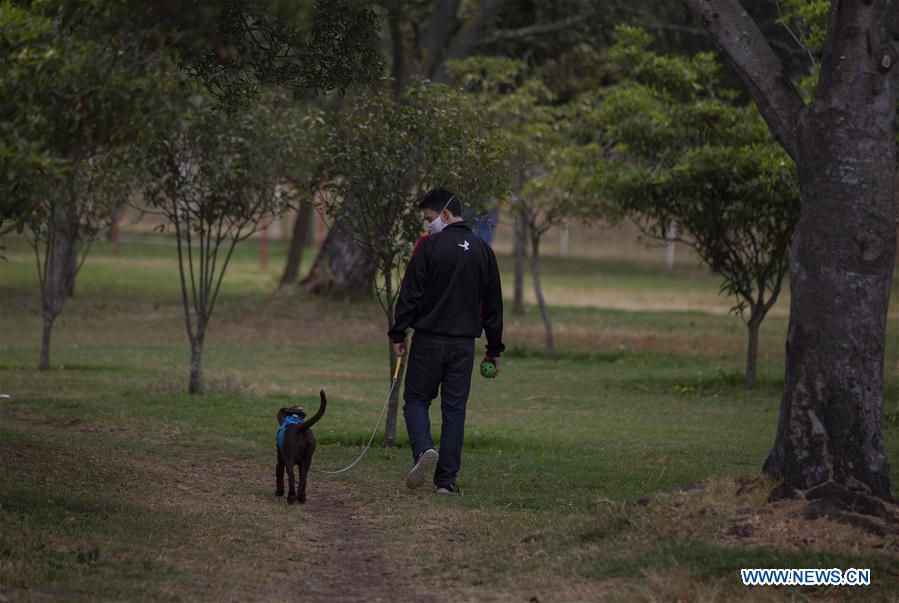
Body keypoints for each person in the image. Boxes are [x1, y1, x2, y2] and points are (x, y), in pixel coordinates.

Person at [389, 187, 505, 494]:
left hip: (428, 339)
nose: (427, 224)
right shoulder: (483, 250)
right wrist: (494, 349)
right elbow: (493, 306)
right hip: (464, 345)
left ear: (445, 213)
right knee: (454, 410)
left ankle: (424, 449)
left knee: (415, 400)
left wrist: (398, 334)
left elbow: (410, 295)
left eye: (429, 218)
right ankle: (446, 481)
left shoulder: (427, 246)